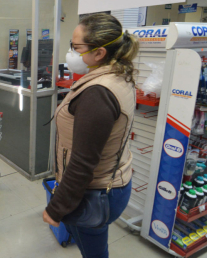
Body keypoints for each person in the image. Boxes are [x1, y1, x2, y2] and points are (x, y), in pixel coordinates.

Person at [42, 13, 138, 258]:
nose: (71, 53)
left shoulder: (98, 93)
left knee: (93, 251)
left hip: (93, 191)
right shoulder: (117, 75)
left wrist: (56, 208)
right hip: (112, 181)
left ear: (99, 53)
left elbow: (82, 162)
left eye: (76, 47)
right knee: (96, 245)